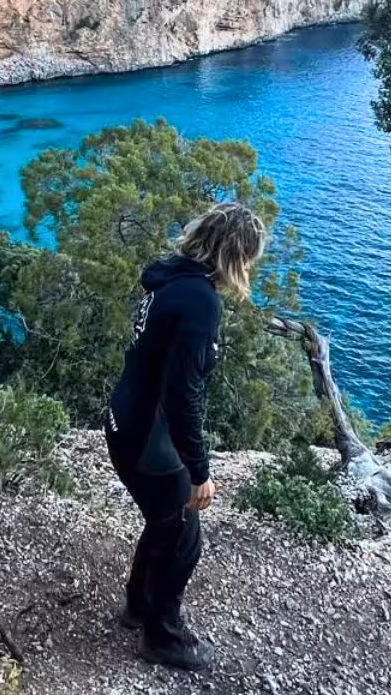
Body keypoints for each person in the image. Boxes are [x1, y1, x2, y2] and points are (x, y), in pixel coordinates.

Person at [103, 200, 267, 672]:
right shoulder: (200, 300)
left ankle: (137, 607)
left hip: (123, 419)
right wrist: (200, 470)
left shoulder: (169, 279)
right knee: (182, 533)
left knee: (164, 520)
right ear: (236, 255)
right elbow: (182, 394)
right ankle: (163, 636)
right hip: (148, 437)